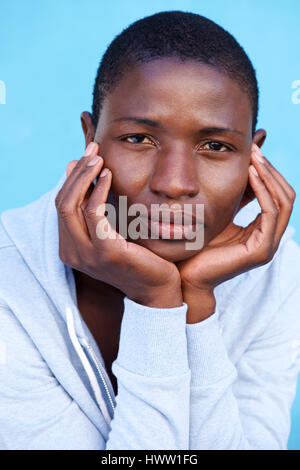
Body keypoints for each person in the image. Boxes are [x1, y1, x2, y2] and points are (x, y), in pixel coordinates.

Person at [0, 10, 300, 450]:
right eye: (139, 139)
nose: (175, 183)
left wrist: (195, 302)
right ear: (90, 140)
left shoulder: (278, 276)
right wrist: (156, 301)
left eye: (216, 146)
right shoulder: (9, 282)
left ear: (253, 159)